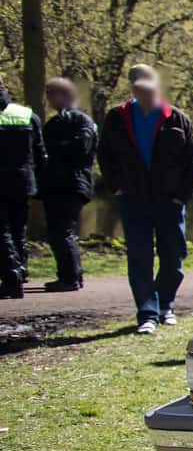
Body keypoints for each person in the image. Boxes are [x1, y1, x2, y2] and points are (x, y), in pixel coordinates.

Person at [96, 65, 193, 333]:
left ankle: (165, 304)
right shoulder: (117, 118)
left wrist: (182, 197)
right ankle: (147, 313)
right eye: (140, 87)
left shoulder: (176, 118)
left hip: (170, 203)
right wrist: (116, 187)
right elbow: (105, 156)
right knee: (140, 258)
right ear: (133, 88)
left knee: (173, 258)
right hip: (133, 201)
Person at [37, 77, 96, 292]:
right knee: (59, 230)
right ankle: (72, 274)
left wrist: (57, 151)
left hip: (70, 183)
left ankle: (70, 277)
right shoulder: (57, 122)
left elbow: (80, 148)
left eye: (52, 94)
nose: (49, 100)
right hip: (59, 183)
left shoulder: (80, 121)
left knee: (62, 230)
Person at [0, 75, 48, 300]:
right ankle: (21, 271)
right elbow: (40, 153)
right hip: (24, 182)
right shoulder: (27, 115)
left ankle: (12, 278)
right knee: (18, 230)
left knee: (3, 232)